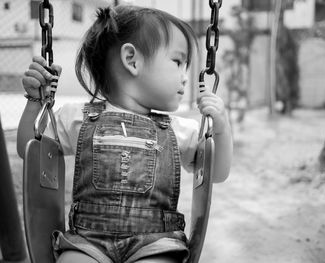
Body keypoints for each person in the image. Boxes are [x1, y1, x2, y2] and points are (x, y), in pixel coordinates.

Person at [17, 5, 232, 263]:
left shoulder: (179, 130)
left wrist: (220, 126)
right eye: (177, 62)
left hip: (155, 244)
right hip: (88, 242)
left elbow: (216, 174)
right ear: (132, 60)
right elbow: (28, 148)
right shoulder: (76, 116)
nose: (185, 77)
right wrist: (35, 101)